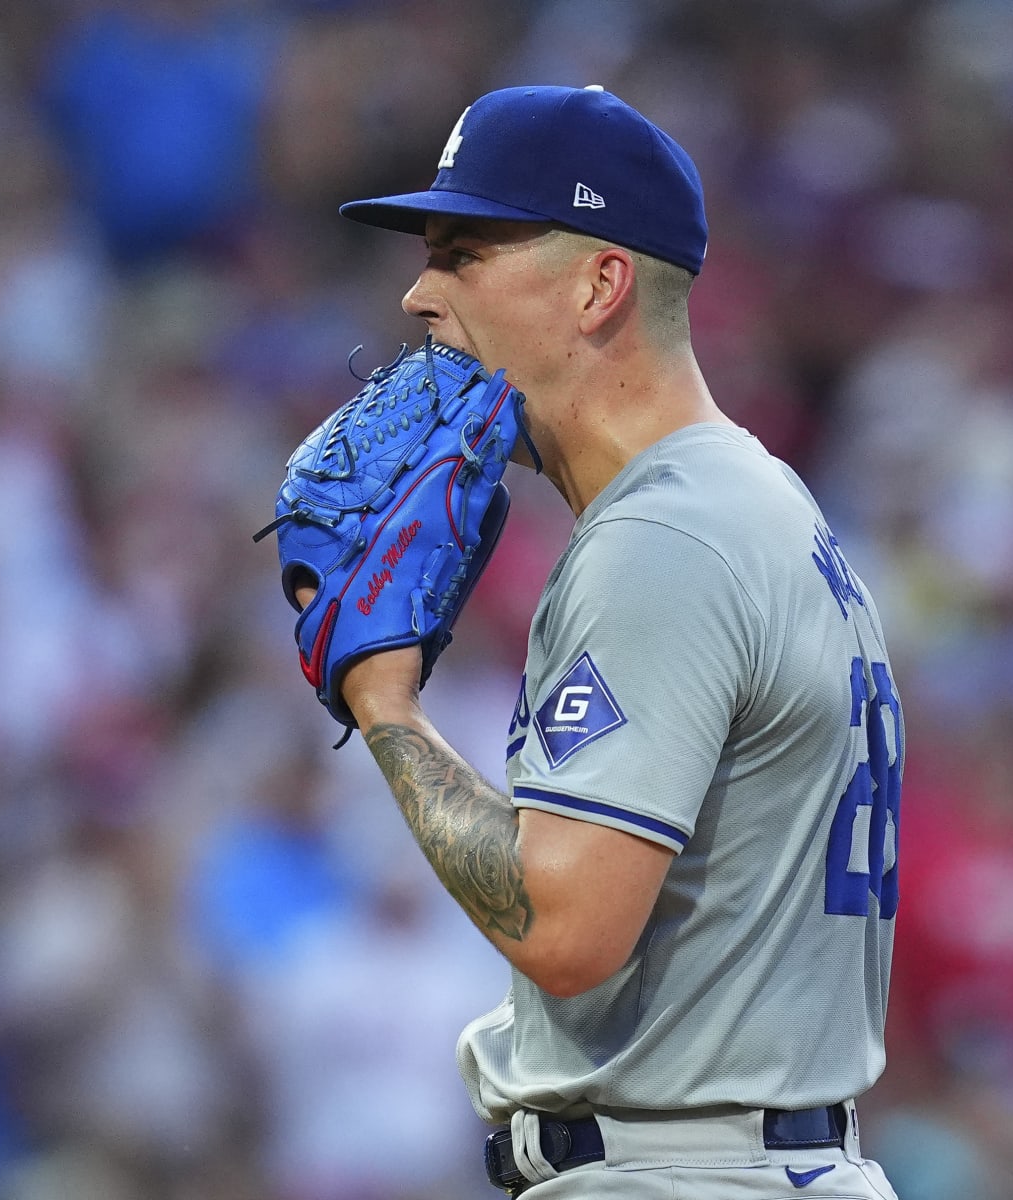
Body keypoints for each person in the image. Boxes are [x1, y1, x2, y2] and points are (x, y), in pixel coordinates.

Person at [317, 84, 906, 1197]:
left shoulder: (667, 539)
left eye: (463, 251)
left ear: (600, 283)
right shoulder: (758, 503)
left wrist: (385, 708)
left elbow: (564, 921)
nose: (417, 294)